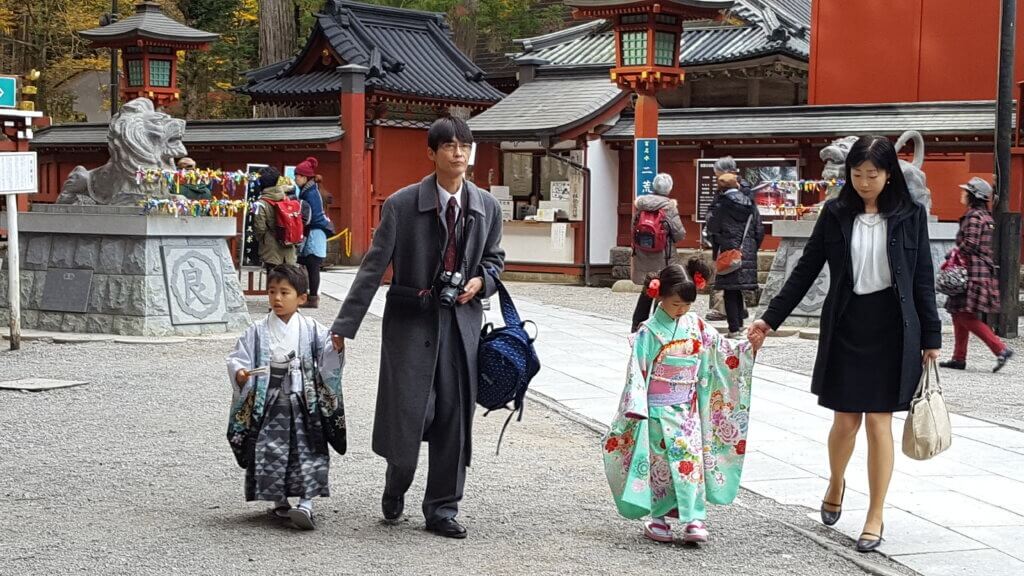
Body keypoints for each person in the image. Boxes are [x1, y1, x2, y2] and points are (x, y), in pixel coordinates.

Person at [748, 136, 941, 553]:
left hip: (893, 329)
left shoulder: (910, 215)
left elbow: (923, 277)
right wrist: (768, 320)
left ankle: (875, 513)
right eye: (857, 175)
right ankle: (836, 480)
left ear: (890, 174)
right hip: (848, 325)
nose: (864, 183)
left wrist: (932, 337)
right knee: (846, 421)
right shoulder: (836, 213)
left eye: (872, 175)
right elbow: (804, 271)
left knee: (878, 422)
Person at [330, 117, 505, 539]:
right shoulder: (403, 204)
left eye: (465, 145)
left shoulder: (486, 206)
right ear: (431, 153)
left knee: (453, 416)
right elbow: (373, 267)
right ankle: (397, 482)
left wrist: (482, 280)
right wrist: (344, 325)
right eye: (449, 146)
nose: (458, 153)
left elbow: (496, 259)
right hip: (410, 323)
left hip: (461, 324)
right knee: (409, 412)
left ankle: (442, 508)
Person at [604, 259, 761, 544]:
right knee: (659, 466)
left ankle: (693, 518)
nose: (682, 310)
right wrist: (637, 407)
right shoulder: (649, 331)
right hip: (656, 409)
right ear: (660, 296)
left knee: (690, 462)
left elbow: (721, 350)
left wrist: (748, 347)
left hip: (686, 410)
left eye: (687, 305)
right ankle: (658, 518)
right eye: (676, 304)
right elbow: (636, 372)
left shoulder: (695, 324)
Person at [225, 264, 344, 531]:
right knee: (269, 451)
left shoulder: (313, 329)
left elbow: (328, 363)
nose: (276, 298)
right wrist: (241, 373)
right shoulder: (256, 331)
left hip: (304, 401)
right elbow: (237, 358)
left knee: (308, 452)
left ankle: (306, 503)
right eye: (272, 292)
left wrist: (335, 348)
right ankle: (278, 498)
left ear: (301, 298)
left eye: (284, 292)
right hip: (269, 403)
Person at [939, 177, 1014, 372]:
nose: (963, 193)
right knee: (959, 314)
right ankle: (959, 357)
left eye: (966, 191)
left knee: (964, 315)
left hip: (971, 272)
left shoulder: (973, 216)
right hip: (980, 272)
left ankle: (1000, 349)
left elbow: (970, 245)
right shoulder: (986, 216)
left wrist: (953, 253)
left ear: (974, 195)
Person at [706, 171, 764, 337]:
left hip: (729, 250)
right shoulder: (750, 202)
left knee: (730, 291)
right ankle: (740, 325)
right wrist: (752, 247)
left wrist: (719, 244)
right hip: (747, 249)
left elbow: (713, 227)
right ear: (737, 185)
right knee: (737, 290)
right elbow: (759, 229)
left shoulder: (721, 204)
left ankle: (734, 328)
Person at [293, 156, 334, 309]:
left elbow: (313, 215)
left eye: (298, 175)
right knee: (309, 264)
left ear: (305, 177)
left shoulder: (310, 193)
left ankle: (313, 297)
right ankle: (310, 296)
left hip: (314, 231)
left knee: (312, 265)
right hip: (315, 230)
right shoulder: (309, 190)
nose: (296, 178)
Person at [630, 173, 686, 285]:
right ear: (669, 189)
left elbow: (633, 228)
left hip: (642, 253)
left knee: (647, 287)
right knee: (663, 287)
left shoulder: (641, 206)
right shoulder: (669, 207)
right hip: (664, 256)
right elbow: (679, 234)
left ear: (653, 186)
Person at [252, 166, 298, 272]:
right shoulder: (287, 199)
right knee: (287, 281)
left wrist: (263, 240)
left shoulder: (261, 204)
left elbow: (260, 228)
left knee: (273, 282)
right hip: (289, 248)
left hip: (271, 251)